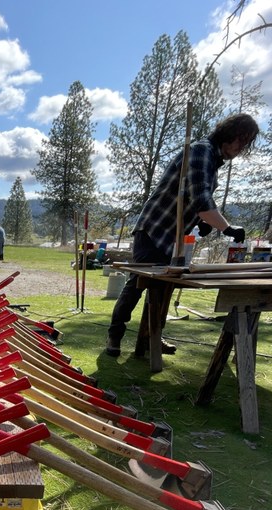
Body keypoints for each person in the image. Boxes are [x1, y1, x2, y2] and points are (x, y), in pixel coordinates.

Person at [105, 113, 259, 358]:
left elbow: (192, 198)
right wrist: (226, 228)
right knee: (138, 284)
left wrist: (202, 221)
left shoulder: (212, 160)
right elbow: (201, 199)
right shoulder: (201, 151)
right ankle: (115, 335)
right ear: (229, 134)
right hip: (155, 229)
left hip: (174, 236)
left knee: (164, 287)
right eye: (241, 140)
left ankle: (151, 337)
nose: (241, 148)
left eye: (246, 143)